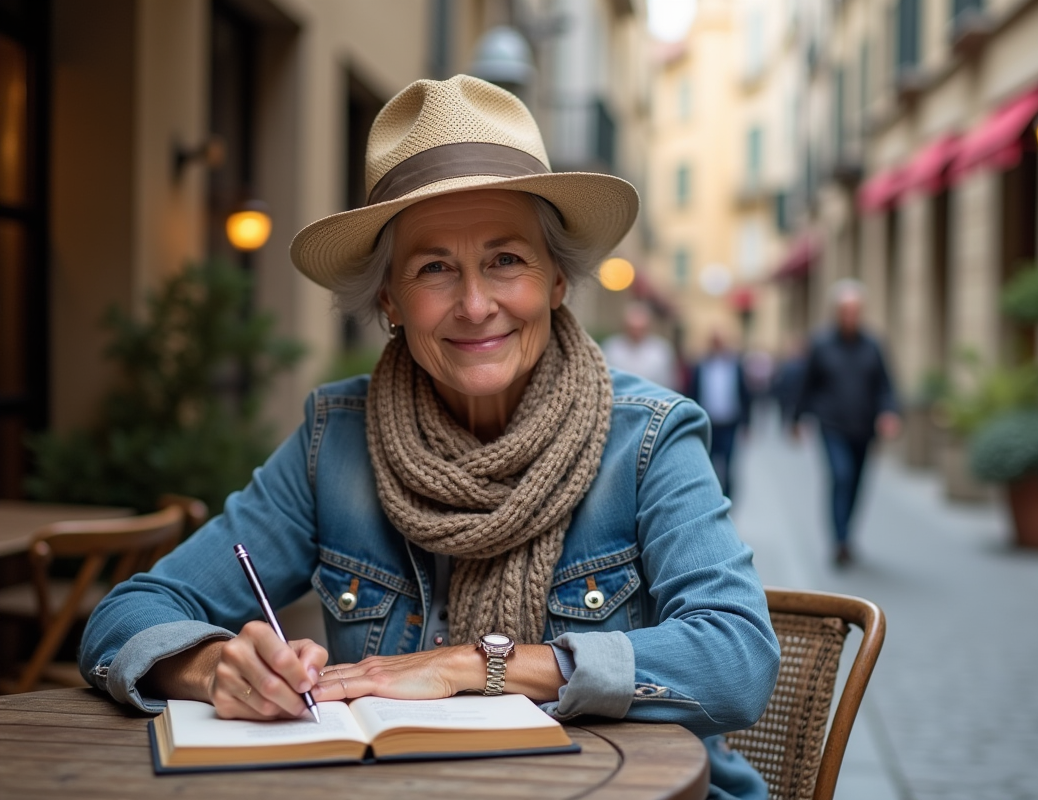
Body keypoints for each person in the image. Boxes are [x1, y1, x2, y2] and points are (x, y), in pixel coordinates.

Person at [79, 76, 779, 800]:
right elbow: (125, 615)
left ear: (557, 281)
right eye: (434, 268)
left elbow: (738, 659)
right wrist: (213, 666)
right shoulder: (335, 441)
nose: (476, 305)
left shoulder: (650, 438)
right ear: (389, 298)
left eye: (506, 260)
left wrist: (473, 665)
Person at [790, 280, 900, 566]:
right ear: (836, 312)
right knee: (841, 476)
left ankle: (847, 534)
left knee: (856, 483)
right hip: (831, 424)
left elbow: (885, 386)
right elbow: (806, 385)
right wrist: (796, 419)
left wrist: (889, 412)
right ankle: (839, 541)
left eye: (855, 310)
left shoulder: (873, 345)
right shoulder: (821, 344)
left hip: (864, 427)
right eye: (845, 310)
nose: (850, 315)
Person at [689, 332, 750, 501]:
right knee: (706, 463)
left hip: (730, 422)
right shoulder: (700, 365)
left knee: (728, 464)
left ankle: (728, 499)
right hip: (707, 422)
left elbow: (745, 394)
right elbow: (692, 392)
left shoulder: (735, 365)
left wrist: (747, 423)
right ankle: (709, 497)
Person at [601, 302, 680, 390]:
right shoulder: (611, 347)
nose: (636, 333)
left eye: (640, 329)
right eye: (632, 328)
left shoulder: (661, 350)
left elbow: (669, 382)